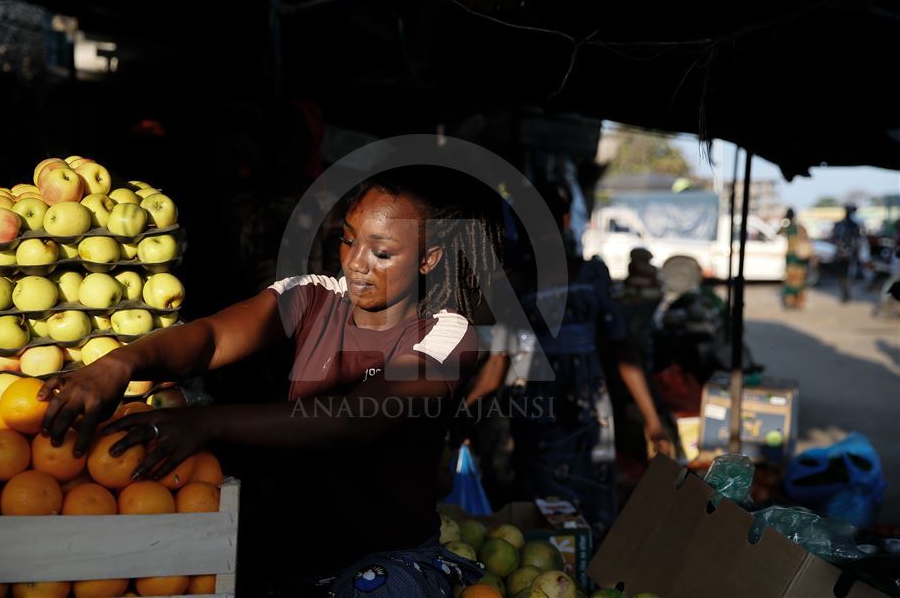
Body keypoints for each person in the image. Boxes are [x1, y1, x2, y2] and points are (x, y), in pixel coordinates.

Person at [38, 166, 497, 596]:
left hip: (388, 561)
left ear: (428, 259)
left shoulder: (448, 334)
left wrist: (207, 423)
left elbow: (355, 417)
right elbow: (213, 338)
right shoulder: (311, 296)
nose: (355, 264)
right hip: (288, 561)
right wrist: (121, 363)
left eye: (380, 253)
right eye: (348, 239)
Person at [508, 183, 672, 540]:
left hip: (556, 408)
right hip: (565, 405)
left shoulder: (525, 285)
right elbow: (622, 350)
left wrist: (653, 421)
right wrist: (653, 421)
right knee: (568, 503)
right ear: (567, 220)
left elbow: (622, 351)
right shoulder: (576, 278)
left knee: (558, 505)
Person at [780, 208, 812, 309]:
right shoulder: (801, 227)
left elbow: (777, 233)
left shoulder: (786, 228)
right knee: (800, 280)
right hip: (800, 258)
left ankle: (790, 302)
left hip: (790, 258)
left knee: (790, 280)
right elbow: (807, 239)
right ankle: (799, 302)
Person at [832, 204, 862, 303]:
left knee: (843, 275)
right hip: (848, 255)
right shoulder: (854, 225)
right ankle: (845, 294)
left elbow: (834, 239)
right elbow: (857, 241)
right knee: (846, 274)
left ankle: (845, 294)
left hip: (842, 254)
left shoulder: (839, 224)